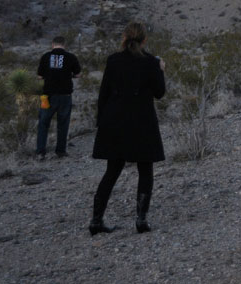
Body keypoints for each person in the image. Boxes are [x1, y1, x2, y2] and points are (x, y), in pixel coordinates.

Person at [89, 22, 166, 235]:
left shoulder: (113, 61)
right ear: (144, 40)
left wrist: (101, 123)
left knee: (112, 171)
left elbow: (103, 94)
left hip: (115, 121)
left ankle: (96, 220)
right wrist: (161, 71)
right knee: (145, 169)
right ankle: (141, 219)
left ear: (124, 38)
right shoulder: (151, 62)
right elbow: (159, 92)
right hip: (141, 120)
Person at [36, 35, 81, 160]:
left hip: (48, 96)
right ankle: (60, 151)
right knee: (63, 124)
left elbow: (39, 76)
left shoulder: (45, 57)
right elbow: (78, 74)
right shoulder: (71, 57)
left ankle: (41, 152)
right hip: (65, 96)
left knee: (43, 124)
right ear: (64, 45)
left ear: (52, 44)